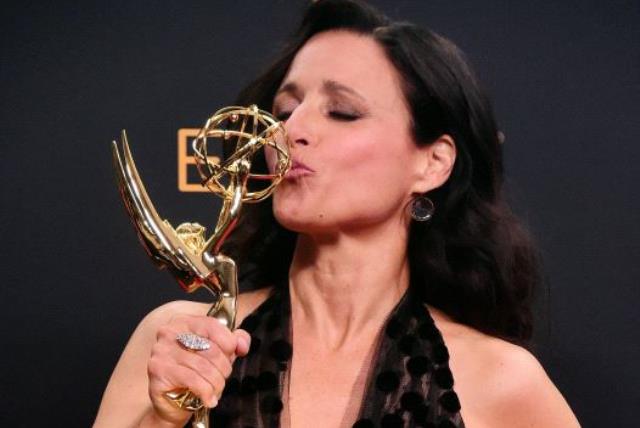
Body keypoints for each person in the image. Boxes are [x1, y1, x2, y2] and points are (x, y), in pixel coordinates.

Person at [95, 1, 579, 427]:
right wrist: (164, 418)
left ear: (432, 163)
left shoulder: (500, 381)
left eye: (343, 112)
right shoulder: (180, 339)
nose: (291, 130)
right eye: (285, 109)